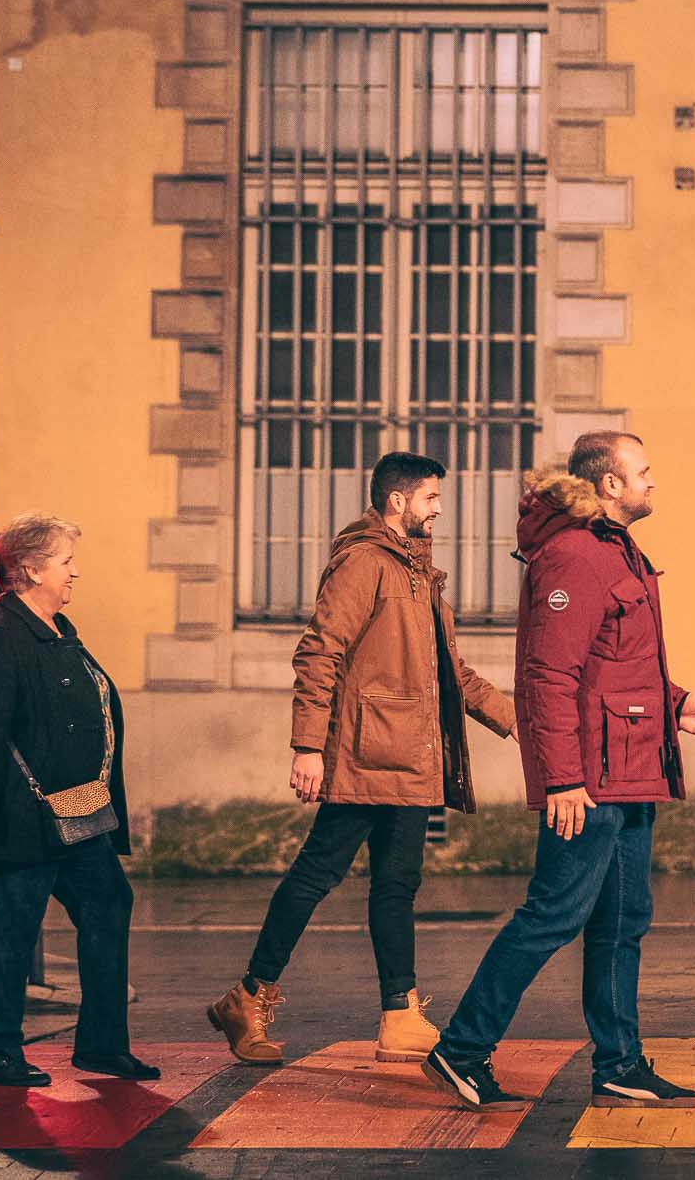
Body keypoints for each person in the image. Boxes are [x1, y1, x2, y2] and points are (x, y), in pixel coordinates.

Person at [421, 432, 695, 1113]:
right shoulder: (574, 554)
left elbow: (616, 665)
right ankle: (462, 1048)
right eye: (643, 471)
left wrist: (677, 707)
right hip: (591, 778)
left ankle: (619, 1064)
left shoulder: (615, 548)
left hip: (630, 768)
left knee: (624, 920)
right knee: (553, 914)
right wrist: (562, 780)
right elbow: (548, 675)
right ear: (609, 485)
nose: (652, 482)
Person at [209, 452, 517, 1066]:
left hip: (410, 757)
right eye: (430, 497)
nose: (438, 508)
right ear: (398, 501)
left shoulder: (418, 571)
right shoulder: (364, 563)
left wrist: (519, 723)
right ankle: (249, 995)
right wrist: (307, 746)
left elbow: (451, 674)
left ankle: (399, 1016)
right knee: (316, 876)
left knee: (398, 886)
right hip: (364, 754)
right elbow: (319, 652)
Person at [0, 512, 155, 1088]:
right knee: (12, 931)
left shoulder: (57, 629)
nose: (74, 573)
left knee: (109, 904)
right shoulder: (1, 634)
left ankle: (103, 1046)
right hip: (25, 816)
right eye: (65, 562)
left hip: (79, 813)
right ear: (32, 570)